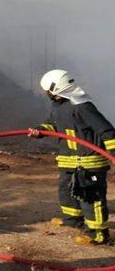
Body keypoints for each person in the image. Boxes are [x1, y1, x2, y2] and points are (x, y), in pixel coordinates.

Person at [28, 69, 114, 245]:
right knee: (66, 191)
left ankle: (98, 233)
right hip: (69, 159)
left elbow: (107, 130)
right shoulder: (59, 106)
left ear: (56, 89)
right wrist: (40, 131)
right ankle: (73, 220)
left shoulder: (82, 106)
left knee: (91, 196)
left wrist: (113, 152)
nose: (47, 94)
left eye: (48, 91)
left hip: (89, 161)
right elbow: (53, 124)